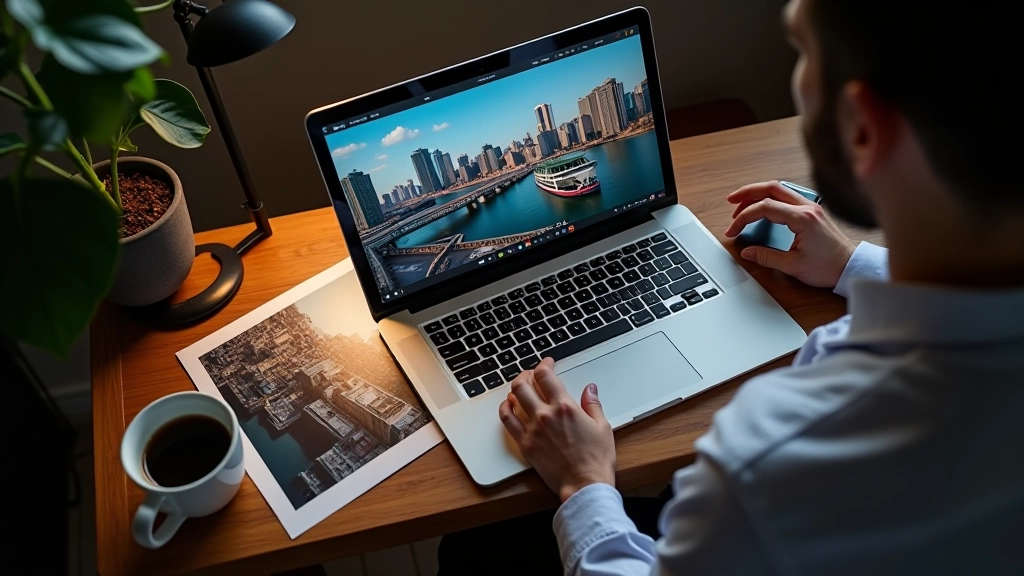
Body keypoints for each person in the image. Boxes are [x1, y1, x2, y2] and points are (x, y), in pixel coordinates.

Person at [437, 0, 1024, 574]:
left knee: (468, 551)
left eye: (802, 50)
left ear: (864, 129)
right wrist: (853, 264)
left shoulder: (765, 464)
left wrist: (583, 482)